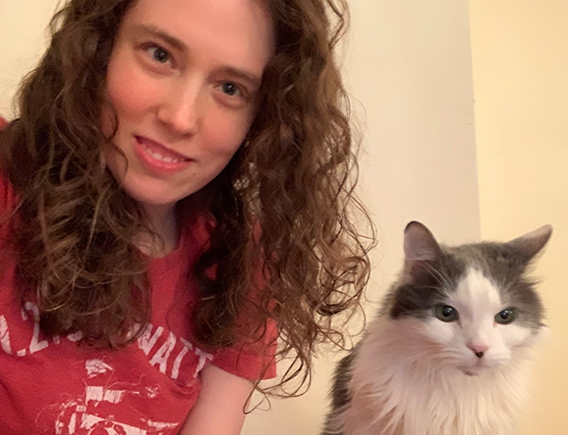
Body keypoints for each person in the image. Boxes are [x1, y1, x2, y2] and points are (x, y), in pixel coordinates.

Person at [0, 0, 373, 433]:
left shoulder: (244, 266)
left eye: (230, 88)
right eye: (159, 55)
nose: (180, 118)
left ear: (265, 119)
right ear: (99, 48)